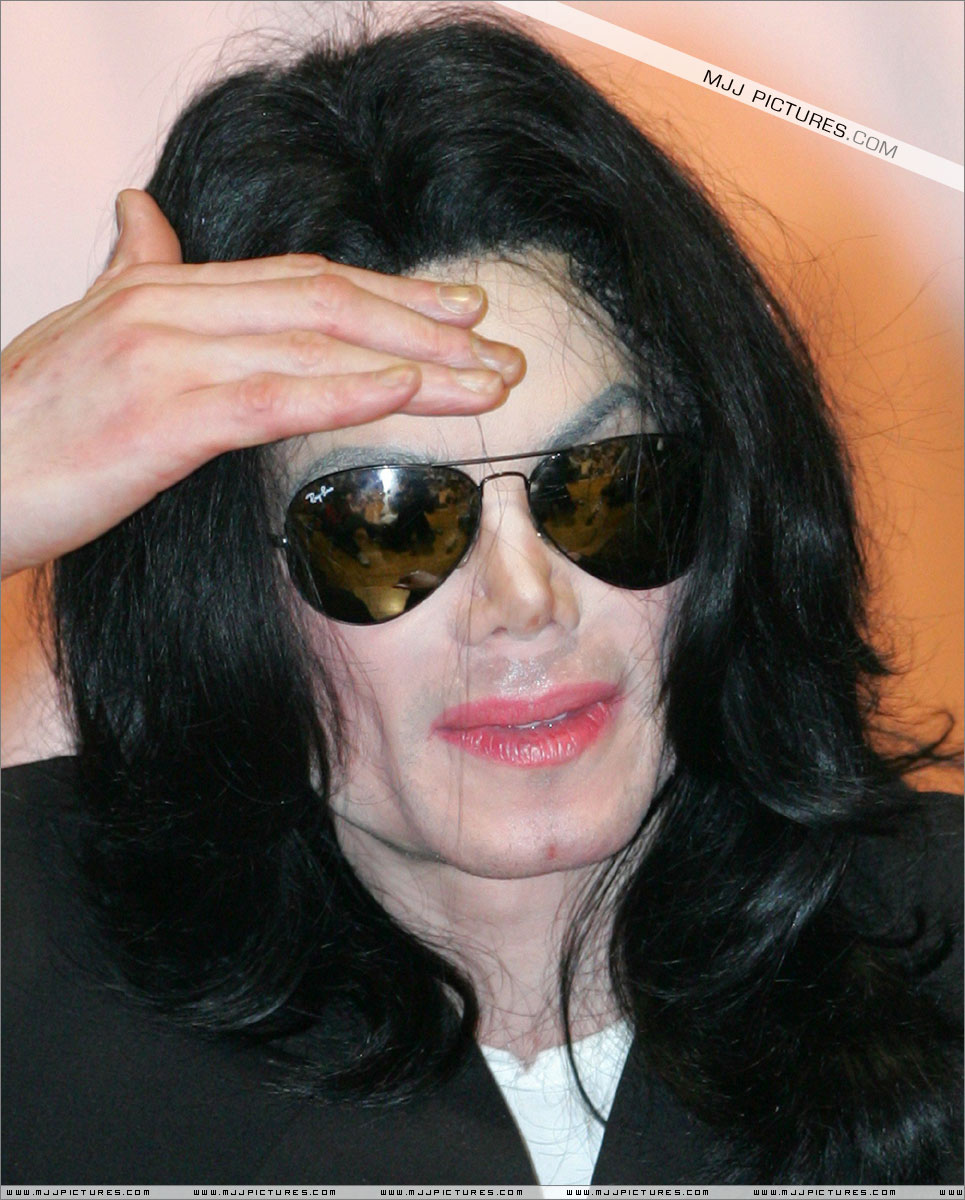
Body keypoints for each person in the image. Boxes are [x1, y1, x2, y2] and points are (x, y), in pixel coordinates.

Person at [1, 10, 961, 1187]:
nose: (522, 601)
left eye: (604, 486)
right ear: (224, 590)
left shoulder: (939, 928)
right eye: (384, 521)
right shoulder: (30, 960)